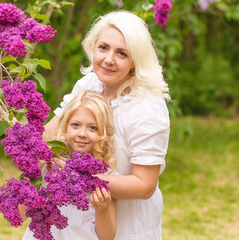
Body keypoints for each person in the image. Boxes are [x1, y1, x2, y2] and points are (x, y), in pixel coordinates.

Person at [43, 10, 171, 239]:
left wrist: (79, 177)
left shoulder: (147, 108)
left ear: (135, 61)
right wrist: (8, 121)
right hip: (77, 215)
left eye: (122, 53)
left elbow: (144, 186)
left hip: (125, 220)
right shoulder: (89, 84)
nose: (109, 59)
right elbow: (51, 134)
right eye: (103, 48)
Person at [22, 90, 117, 240]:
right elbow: (21, 213)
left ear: (103, 132)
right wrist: (33, 172)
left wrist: (102, 209)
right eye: (75, 125)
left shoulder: (106, 174)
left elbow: (107, 236)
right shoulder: (49, 163)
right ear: (65, 125)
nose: (82, 133)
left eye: (93, 127)